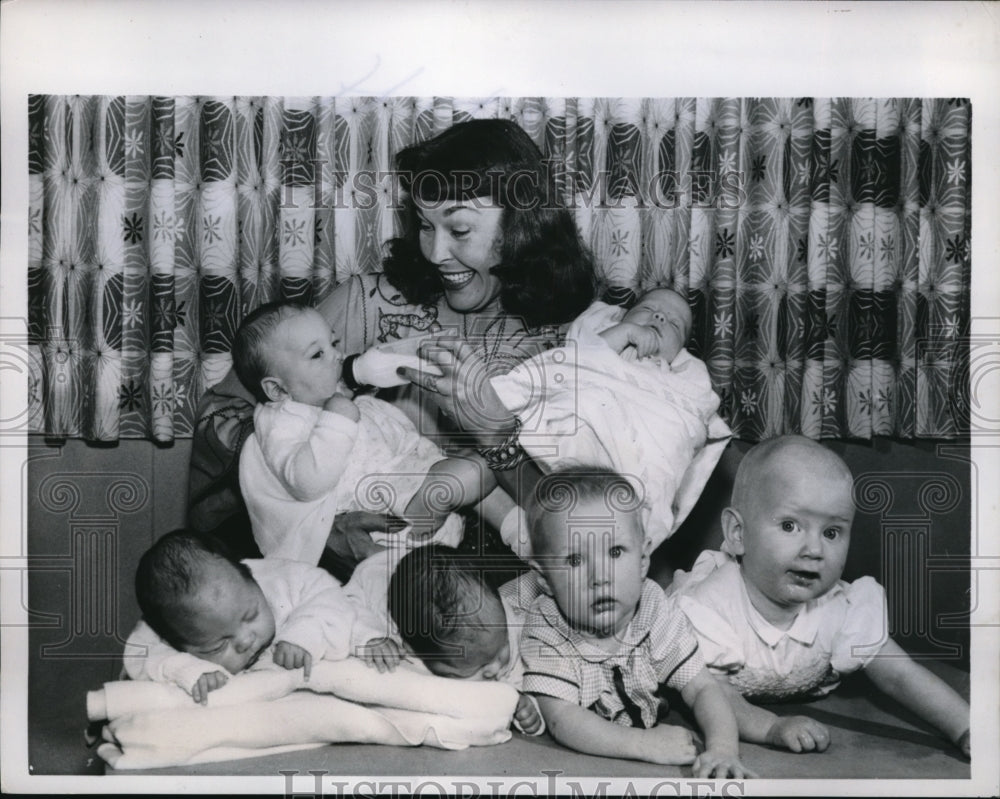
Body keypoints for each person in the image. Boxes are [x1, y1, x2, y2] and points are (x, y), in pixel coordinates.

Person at [189, 118, 597, 575]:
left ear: (523, 224)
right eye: (424, 226)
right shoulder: (364, 305)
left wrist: (499, 438)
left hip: (501, 578)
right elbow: (222, 416)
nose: (435, 252)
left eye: (459, 230)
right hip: (339, 575)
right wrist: (321, 527)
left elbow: (582, 515)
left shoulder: (572, 340)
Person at [669, 435, 971, 758]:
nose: (814, 550)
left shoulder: (840, 607)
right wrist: (772, 727)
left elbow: (899, 675)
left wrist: (965, 727)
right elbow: (713, 693)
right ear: (738, 534)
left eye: (831, 533)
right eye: (789, 526)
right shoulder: (711, 608)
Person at [519, 467, 755, 777]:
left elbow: (702, 687)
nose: (600, 578)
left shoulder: (653, 608)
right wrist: (644, 744)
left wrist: (723, 748)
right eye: (575, 560)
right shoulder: (547, 628)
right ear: (546, 579)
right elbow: (563, 718)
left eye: (615, 551)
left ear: (643, 561)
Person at [233, 300, 496, 563]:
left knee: (485, 465)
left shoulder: (342, 399)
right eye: (317, 354)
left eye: (334, 344)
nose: (337, 355)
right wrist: (337, 418)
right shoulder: (283, 424)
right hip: (383, 521)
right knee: (474, 471)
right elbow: (306, 483)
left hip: (418, 504)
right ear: (278, 390)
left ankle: (512, 528)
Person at [489, 287, 731, 557]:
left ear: (679, 353)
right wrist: (624, 334)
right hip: (576, 432)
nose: (660, 318)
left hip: (629, 462)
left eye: (675, 324)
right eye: (648, 310)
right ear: (624, 318)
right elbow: (574, 362)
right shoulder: (608, 344)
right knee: (583, 413)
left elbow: (688, 426)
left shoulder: (676, 381)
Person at [122, 530, 383, 704]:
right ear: (174, 642)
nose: (246, 640)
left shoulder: (285, 580)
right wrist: (187, 669)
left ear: (252, 578)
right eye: (218, 645)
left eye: (251, 614)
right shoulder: (161, 630)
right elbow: (139, 654)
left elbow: (335, 598)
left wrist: (305, 635)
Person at [349, 544, 542, 735]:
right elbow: (340, 610)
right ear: (414, 650)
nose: (495, 669)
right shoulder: (375, 592)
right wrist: (368, 637)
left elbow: (536, 679)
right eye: (477, 668)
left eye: (501, 651)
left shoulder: (505, 627)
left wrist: (526, 704)